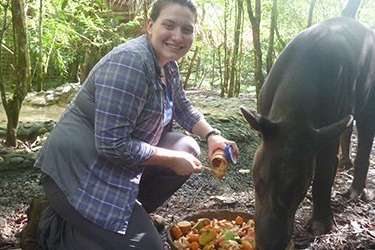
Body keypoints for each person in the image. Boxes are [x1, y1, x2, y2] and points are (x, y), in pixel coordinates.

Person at [31, 0, 239, 249]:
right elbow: (112, 144)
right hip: (79, 173)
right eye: (169, 25)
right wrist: (172, 159)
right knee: (147, 247)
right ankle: (52, 226)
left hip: (116, 167)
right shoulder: (130, 63)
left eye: (187, 29)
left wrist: (212, 135)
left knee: (187, 146)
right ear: (150, 25)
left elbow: (183, 107)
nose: (178, 36)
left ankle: (123, 218)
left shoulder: (167, 65)